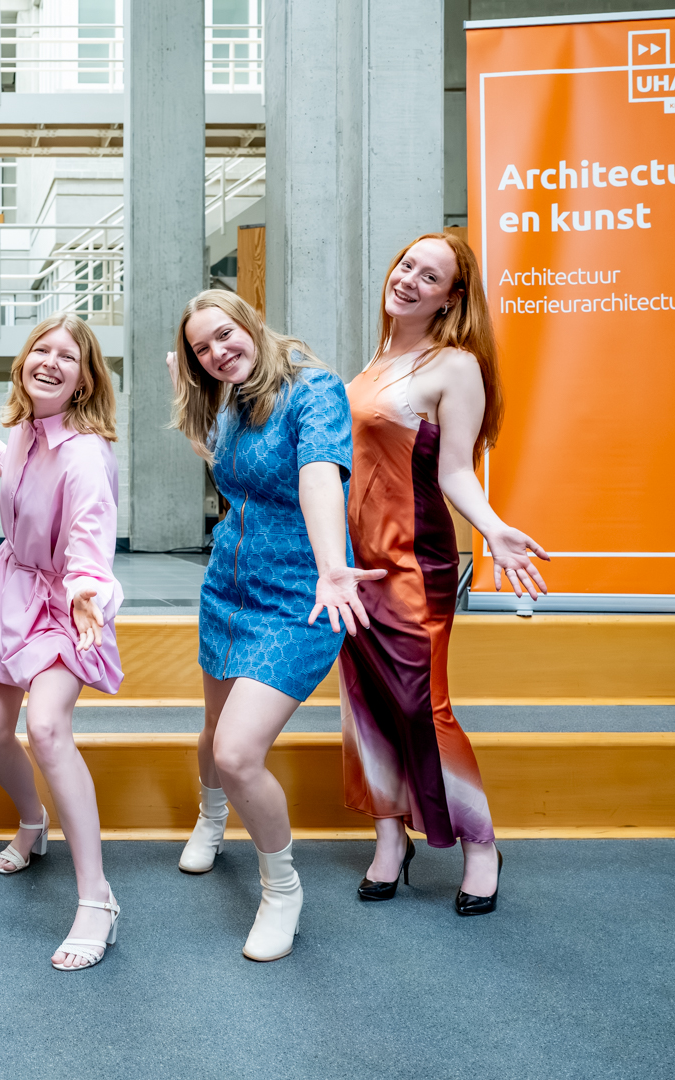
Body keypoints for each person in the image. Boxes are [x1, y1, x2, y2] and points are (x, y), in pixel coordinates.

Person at [166, 290, 385, 962]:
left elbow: (319, 476)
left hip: (300, 598)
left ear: (252, 323)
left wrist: (332, 567)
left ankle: (281, 888)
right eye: (202, 348)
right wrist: (187, 400)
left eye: (225, 335)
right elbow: (230, 468)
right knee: (213, 730)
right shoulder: (230, 398)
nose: (217, 352)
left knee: (237, 752)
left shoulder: (313, 390)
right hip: (227, 591)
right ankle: (210, 818)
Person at [340, 233, 549, 916]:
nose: (409, 279)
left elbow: (456, 468)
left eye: (429, 277)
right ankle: (389, 839)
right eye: (407, 265)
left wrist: (491, 528)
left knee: (424, 705)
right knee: (366, 701)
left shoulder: (454, 365)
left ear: (451, 298)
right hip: (355, 564)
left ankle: (480, 844)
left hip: (413, 559)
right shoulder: (375, 360)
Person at [0, 313, 124, 972]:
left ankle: (97, 898)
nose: (51, 361)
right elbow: (29, 484)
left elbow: (88, 528)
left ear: (84, 380)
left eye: (68, 356)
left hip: (64, 601)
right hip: (13, 588)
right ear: (24, 361)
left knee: (48, 729)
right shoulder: (27, 430)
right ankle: (34, 820)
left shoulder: (86, 452)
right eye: (41, 349)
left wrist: (86, 592)